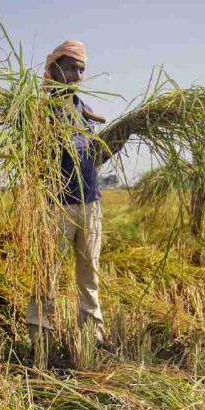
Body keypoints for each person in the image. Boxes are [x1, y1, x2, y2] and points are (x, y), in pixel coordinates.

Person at [26, 40, 131, 356]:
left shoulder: (84, 111)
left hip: (91, 202)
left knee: (90, 277)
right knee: (47, 275)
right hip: (56, 204)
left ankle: (93, 339)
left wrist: (118, 139)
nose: (76, 74)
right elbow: (34, 157)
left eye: (81, 69)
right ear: (55, 68)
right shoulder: (38, 110)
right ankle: (40, 341)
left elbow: (93, 158)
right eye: (70, 67)